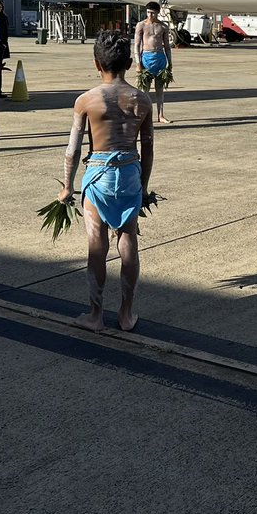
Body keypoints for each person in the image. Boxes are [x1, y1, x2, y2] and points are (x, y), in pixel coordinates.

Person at [57, 30, 154, 332]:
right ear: (129, 63)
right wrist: (143, 186)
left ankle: (95, 314)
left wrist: (67, 186)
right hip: (129, 173)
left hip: (98, 174)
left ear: (97, 64)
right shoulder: (142, 100)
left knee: (96, 244)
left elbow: (73, 149)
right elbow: (148, 148)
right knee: (128, 239)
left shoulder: (86, 101)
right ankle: (126, 313)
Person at [133, 1, 173, 124]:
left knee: (159, 89)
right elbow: (136, 45)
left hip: (160, 57)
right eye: (148, 12)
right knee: (145, 90)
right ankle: (145, 115)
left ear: (158, 13)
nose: (150, 15)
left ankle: (161, 115)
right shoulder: (141, 25)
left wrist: (170, 62)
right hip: (146, 57)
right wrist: (138, 63)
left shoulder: (163, 26)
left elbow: (167, 46)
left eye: (153, 13)